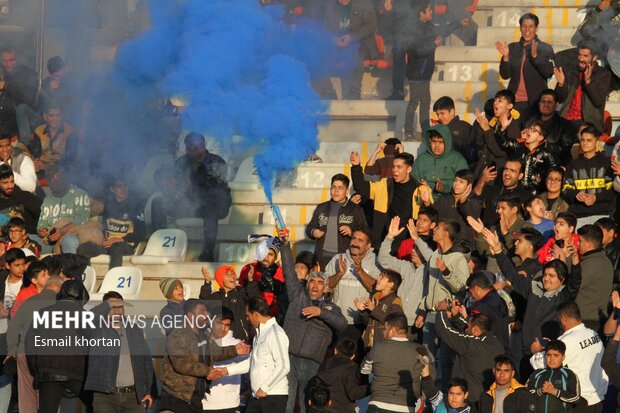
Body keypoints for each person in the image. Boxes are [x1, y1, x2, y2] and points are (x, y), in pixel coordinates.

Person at [483, 225, 581, 378]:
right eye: (545, 275)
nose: (547, 279)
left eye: (552, 276)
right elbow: (512, 274)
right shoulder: (533, 288)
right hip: (523, 350)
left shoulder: (562, 296)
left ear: (561, 280)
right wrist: (497, 250)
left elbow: (574, 282)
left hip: (544, 354)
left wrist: (575, 260)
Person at [280, 235, 347, 413]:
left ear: (325, 288)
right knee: (286, 403)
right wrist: (285, 245)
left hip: (312, 363)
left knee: (305, 404)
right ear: (307, 284)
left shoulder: (331, 307)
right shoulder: (297, 295)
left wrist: (321, 312)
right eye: (312, 282)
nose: (315, 286)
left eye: (320, 283)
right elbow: (288, 270)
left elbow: (342, 325)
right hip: (289, 358)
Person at [160, 299, 249, 413]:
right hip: (177, 398)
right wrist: (207, 371)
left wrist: (235, 350)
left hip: (194, 399)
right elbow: (181, 364)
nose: (206, 314)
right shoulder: (178, 334)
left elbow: (215, 352)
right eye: (202, 311)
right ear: (191, 316)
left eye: (206, 311)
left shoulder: (203, 335)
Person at [25, 280, 92, 413]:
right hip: (78, 373)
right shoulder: (86, 317)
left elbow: (30, 346)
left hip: (48, 372)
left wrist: (37, 370)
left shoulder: (42, 314)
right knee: (93, 405)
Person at [530, 302, 607, 413]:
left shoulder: (566, 340)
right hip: (598, 400)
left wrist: (537, 349)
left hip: (578, 402)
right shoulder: (594, 334)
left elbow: (540, 364)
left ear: (563, 318)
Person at [84, 291, 154, 412]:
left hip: (134, 397)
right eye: (112, 307)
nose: (117, 311)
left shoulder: (134, 330)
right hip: (105, 396)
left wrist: (148, 391)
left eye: (120, 306)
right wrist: (106, 305)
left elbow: (146, 361)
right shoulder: (96, 329)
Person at [5, 274, 63, 413]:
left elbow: (13, 328)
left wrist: (11, 352)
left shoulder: (29, 302)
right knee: (50, 396)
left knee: (26, 394)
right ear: (59, 288)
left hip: (24, 351)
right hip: (49, 354)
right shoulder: (60, 304)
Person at [351, 151, 432, 248]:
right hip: (383, 240)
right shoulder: (384, 185)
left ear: (409, 169)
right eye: (393, 166)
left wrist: (427, 203)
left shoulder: (421, 189)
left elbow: (432, 216)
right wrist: (356, 167)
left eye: (399, 167)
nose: (394, 170)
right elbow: (362, 188)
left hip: (408, 242)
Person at [225, 296, 290, 413]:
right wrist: (227, 370)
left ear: (255, 314)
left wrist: (265, 388)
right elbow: (252, 362)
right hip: (258, 395)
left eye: (248, 315)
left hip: (272, 396)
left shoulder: (275, 333)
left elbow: (284, 365)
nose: (247, 319)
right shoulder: (258, 335)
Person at [174, 132, 231, 261]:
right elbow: (175, 185)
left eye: (200, 146)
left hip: (215, 203)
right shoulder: (180, 163)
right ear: (187, 149)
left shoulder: (216, 162)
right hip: (190, 203)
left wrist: (192, 184)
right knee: (160, 203)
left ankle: (208, 251)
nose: (198, 151)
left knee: (210, 210)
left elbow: (218, 188)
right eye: (193, 148)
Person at [361, 312, 431, 412]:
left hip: (378, 404)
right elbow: (427, 377)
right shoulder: (421, 350)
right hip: (407, 407)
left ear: (393, 330)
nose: (383, 333)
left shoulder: (378, 347)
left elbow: (364, 370)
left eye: (385, 329)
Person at [435, 305, 506, 403]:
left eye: (468, 327)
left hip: (468, 402)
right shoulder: (496, 343)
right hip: (488, 400)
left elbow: (444, 329)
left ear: (476, 329)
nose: (465, 330)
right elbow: (467, 332)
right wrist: (456, 316)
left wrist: (441, 310)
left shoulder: (470, 345)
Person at [496, 13, 555, 121]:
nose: (527, 30)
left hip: (535, 103)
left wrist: (536, 57)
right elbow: (505, 75)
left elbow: (549, 73)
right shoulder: (512, 48)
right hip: (514, 102)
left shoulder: (545, 48)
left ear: (536, 28)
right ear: (520, 28)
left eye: (531, 26)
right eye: (524, 26)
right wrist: (505, 57)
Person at [78, 177, 145, 268]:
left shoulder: (135, 206)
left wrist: (119, 239)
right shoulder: (108, 206)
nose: (123, 188)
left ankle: (114, 278)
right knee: (83, 248)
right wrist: (104, 236)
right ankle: (85, 276)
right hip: (107, 244)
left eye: (125, 185)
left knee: (116, 246)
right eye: (119, 186)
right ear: (112, 189)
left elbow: (141, 233)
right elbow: (103, 226)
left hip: (126, 245)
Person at [306, 173, 367, 269]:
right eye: (333, 187)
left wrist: (352, 232)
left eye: (340, 188)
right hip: (321, 258)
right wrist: (313, 231)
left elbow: (365, 232)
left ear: (347, 191)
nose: (336, 190)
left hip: (344, 258)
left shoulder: (356, 210)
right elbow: (310, 227)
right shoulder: (321, 207)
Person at [325, 226, 381, 329]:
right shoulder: (338, 259)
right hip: (337, 319)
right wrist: (339, 274)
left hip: (361, 320)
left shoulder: (375, 262)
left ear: (368, 246)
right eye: (353, 238)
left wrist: (360, 271)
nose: (355, 243)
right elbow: (326, 287)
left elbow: (377, 289)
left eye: (360, 241)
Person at [562, 124, 615, 227]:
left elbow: (613, 191)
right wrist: (576, 194)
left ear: (597, 142)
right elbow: (565, 189)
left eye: (589, 140)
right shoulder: (573, 165)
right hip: (578, 216)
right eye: (583, 140)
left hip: (603, 215)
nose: (585, 143)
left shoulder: (607, 164)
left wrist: (596, 197)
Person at [555, 40, 611, 131]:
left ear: (594, 57)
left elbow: (598, 102)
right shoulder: (571, 72)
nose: (581, 59)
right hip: (566, 119)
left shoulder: (603, 74)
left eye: (585, 56)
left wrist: (588, 83)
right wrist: (561, 85)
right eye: (579, 55)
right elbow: (559, 99)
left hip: (587, 122)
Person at [201, 309, 250, 413]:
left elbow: (251, 363)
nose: (223, 328)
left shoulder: (238, 344)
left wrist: (227, 370)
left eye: (227, 325)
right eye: (219, 323)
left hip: (230, 403)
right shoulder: (201, 342)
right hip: (204, 403)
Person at [200, 265, 259, 342]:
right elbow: (203, 302)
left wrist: (250, 281)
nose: (232, 276)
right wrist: (207, 283)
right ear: (220, 279)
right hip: (220, 342)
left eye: (233, 274)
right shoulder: (215, 297)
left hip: (241, 341)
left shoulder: (241, 294)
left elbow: (254, 298)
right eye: (227, 274)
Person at [473, 90, 523, 179]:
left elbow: (500, 152)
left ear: (509, 106)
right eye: (495, 100)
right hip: (482, 171)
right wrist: (479, 125)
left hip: (498, 175)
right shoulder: (492, 122)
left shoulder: (513, 127)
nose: (495, 103)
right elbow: (479, 145)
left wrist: (487, 130)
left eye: (500, 101)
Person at [310, 338, 368, 413]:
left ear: (335, 350)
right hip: (343, 409)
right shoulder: (349, 369)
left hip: (322, 409)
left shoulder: (324, 365)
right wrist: (371, 387)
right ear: (353, 356)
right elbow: (354, 393)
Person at [574, 224, 613, 332]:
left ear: (589, 244)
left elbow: (572, 288)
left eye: (580, 241)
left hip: (586, 321)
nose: (577, 244)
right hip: (599, 319)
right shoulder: (606, 261)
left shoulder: (589, 265)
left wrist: (565, 259)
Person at [413, 124, 469, 198]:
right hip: (422, 198)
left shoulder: (457, 159)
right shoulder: (421, 159)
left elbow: (464, 183)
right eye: (434, 141)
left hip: (448, 200)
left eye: (440, 142)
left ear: (447, 142)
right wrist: (420, 185)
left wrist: (443, 188)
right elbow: (412, 179)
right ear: (429, 141)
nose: (436, 145)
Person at [239, 236, 286, 320]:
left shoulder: (281, 272)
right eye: (264, 253)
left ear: (276, 258)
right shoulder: (247, 269)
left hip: (274, 318)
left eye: (270, 254)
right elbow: (241, 295)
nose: (266, 257)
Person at [525, 340, 581, 412]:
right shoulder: (537, 373)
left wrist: (555, 391)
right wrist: (540, 391)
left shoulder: (569, 374)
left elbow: (576, 398)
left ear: (563, 357)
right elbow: (525, 395)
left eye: (556, 355)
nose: (551, 359)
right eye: (549, 355)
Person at [475, 157, 530, 227]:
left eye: (512, 170)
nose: (507, 173)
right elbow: (474, 198)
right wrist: (482, 180)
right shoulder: (493, 189)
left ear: (520, 176)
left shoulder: (525, 196)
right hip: (485, 232)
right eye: (505, 169)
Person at [527, 89, 577, 164]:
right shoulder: (529, 122)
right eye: (543, 102)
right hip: (530, 162)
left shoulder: (564, 125)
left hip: (554, 164)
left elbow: (565, 150)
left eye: (549, 102)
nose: (546, 105)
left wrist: (544, 146)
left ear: (556, 105)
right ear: (539, 103)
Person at [357, 269, 403, 350]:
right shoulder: (374, 296)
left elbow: (394, 323)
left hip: (384, 345)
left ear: (390, 284)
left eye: (382, 277)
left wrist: (374, 309)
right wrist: (362, 311)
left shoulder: (395, 300)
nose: (377, 278)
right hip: (368, 344)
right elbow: (366, 322)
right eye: (379, 275)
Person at [433, 168, 482, 245]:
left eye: (461, 182)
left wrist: (463, 202)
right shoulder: (444, 199)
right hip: (441, 244)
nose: (457, 184)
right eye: (455, 180)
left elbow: (473, 220)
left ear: (469, 186)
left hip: (463, 246)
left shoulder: (475, 203)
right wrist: (427, 203)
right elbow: (432, 216)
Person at [466, 270, 511, 350]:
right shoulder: (501, 300)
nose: (471, 295)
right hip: (504, 348)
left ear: (476, 288)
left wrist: (464, 317)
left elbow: (472, 330)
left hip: (487, 352)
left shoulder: (480, 307)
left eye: (470, 291)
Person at [0, 44, 37, 136]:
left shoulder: (28, 73)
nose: (8, 64)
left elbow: (28, 99)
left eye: (12, 60)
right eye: (5, 61)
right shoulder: (2, 74)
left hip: (21, 122)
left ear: (18, 58)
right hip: (4, 120)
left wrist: (6, 86)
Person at [511, 121, 559, 192]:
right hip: (517, 189)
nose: (529, 131)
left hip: (536, 192)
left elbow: (555, 171)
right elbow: (505, 143)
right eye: (530, 128)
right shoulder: (520, 147)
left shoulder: (545, 154)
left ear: (540, 137)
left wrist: (541, 178)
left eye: (533, 130)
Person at [31, 105, 79, 172]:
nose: (55, 119)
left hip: (62, 168)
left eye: (58, 115)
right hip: (42, 167)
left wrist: (50, 167)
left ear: (62, 116)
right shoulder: (39, 131)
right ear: (45, 117)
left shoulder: (70, 132)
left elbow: (70, 157)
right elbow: (35, 153)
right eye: (51, 115)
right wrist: (38, 163)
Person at [432, 96, 475, 165]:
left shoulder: (465, 127)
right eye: (437, 114)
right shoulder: (437, 129)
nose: (439, 117)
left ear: (452, 112)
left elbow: (472, 153)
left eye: (442, 113)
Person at [0, 164, 41, 234]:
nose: (10, 186)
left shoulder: (26, 197)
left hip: (29, 238)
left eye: (12, 181)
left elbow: (42, 214)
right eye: (5, 183)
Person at [596, 217, 620, 290]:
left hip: (613, 293)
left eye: (600, 231)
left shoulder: (618, 249)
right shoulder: (594, 247)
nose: (596, 234)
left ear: (611, 233)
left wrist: (603, 274)